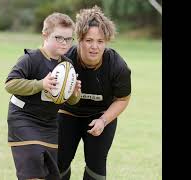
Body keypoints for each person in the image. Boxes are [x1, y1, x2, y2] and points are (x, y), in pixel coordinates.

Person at [57, 6, 131, 180]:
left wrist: (103, 121)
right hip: (68, 113)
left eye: (100, 41)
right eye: (89, 40)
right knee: (59, 162)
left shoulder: (117, 66)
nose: (94, 47)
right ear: (79, 39)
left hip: (101, 116)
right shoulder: (63, 60)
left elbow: (122, 99)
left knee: (96, 165)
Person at [5, 12, 81, 180]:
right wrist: (41, 84)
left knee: (48, 174)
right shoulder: (30, 59)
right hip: (23, 118)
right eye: (58, 37)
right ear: (45, 35)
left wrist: (74, 92)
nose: (64, 43)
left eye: (68, 39)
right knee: (32, 167)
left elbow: (69, 100)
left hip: (49, 123)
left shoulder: (67, 64)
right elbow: (10, 84)